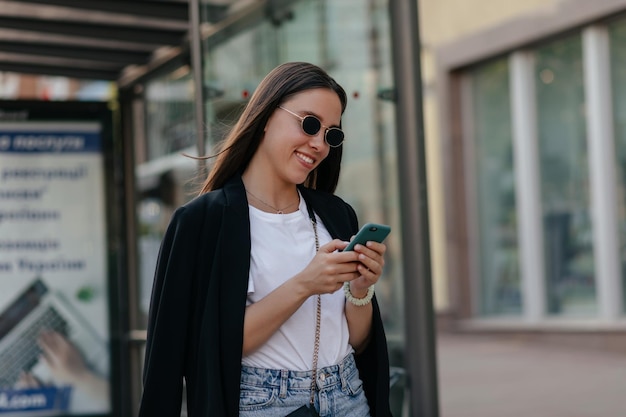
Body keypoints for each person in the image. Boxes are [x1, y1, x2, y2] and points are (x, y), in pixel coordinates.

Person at [138, 62, 392, 417]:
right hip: (264, 404)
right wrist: (306, 283)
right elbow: (214, 346)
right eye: (309, 124)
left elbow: (360, 341)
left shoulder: (335, 214)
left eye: (331, 134)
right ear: (267, 116)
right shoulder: (202, 222)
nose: (318, 144)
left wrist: (361, 290)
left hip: (348, 397)